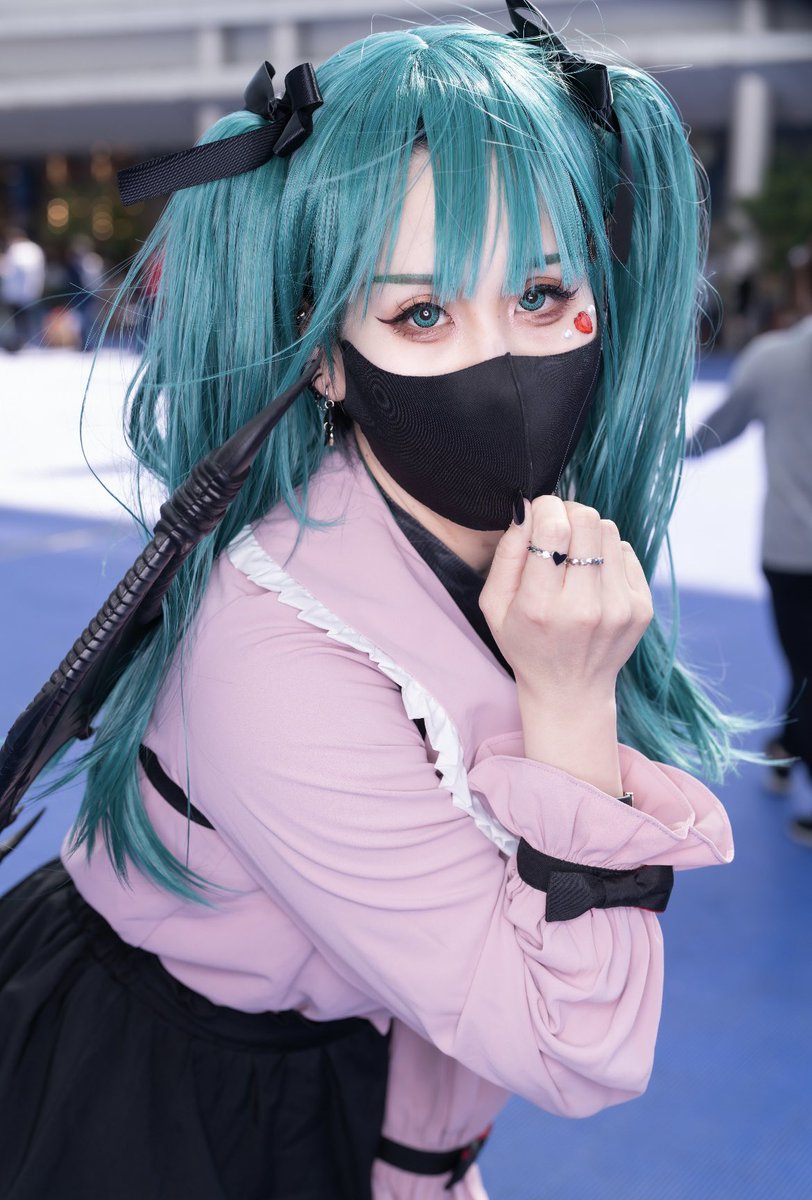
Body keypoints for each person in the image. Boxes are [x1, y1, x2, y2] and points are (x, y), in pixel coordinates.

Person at [0, 7, 746, 1198]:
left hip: (339, 1061)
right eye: (420, 313)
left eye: (541, 293)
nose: (504, 362)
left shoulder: (509, 549)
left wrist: (424, 1161)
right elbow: (577, 1047)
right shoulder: (278, 660)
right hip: (156, 1092)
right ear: (325, 357)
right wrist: (569, 706)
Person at [686, 314, 812, 846]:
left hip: (791, 552)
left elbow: (720, 428)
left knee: (805, 666)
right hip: (791, 552)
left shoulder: (772, 359)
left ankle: (788, 747)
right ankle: (790, 752)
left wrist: (671, 450)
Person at [0, 226, 46, 351]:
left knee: (19, 321)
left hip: (17, 294)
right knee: (32, 319)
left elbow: (9, 271)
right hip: (33, 292)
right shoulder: (35, 249)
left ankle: (21, 343)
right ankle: (32, 343)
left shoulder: (16, 249)